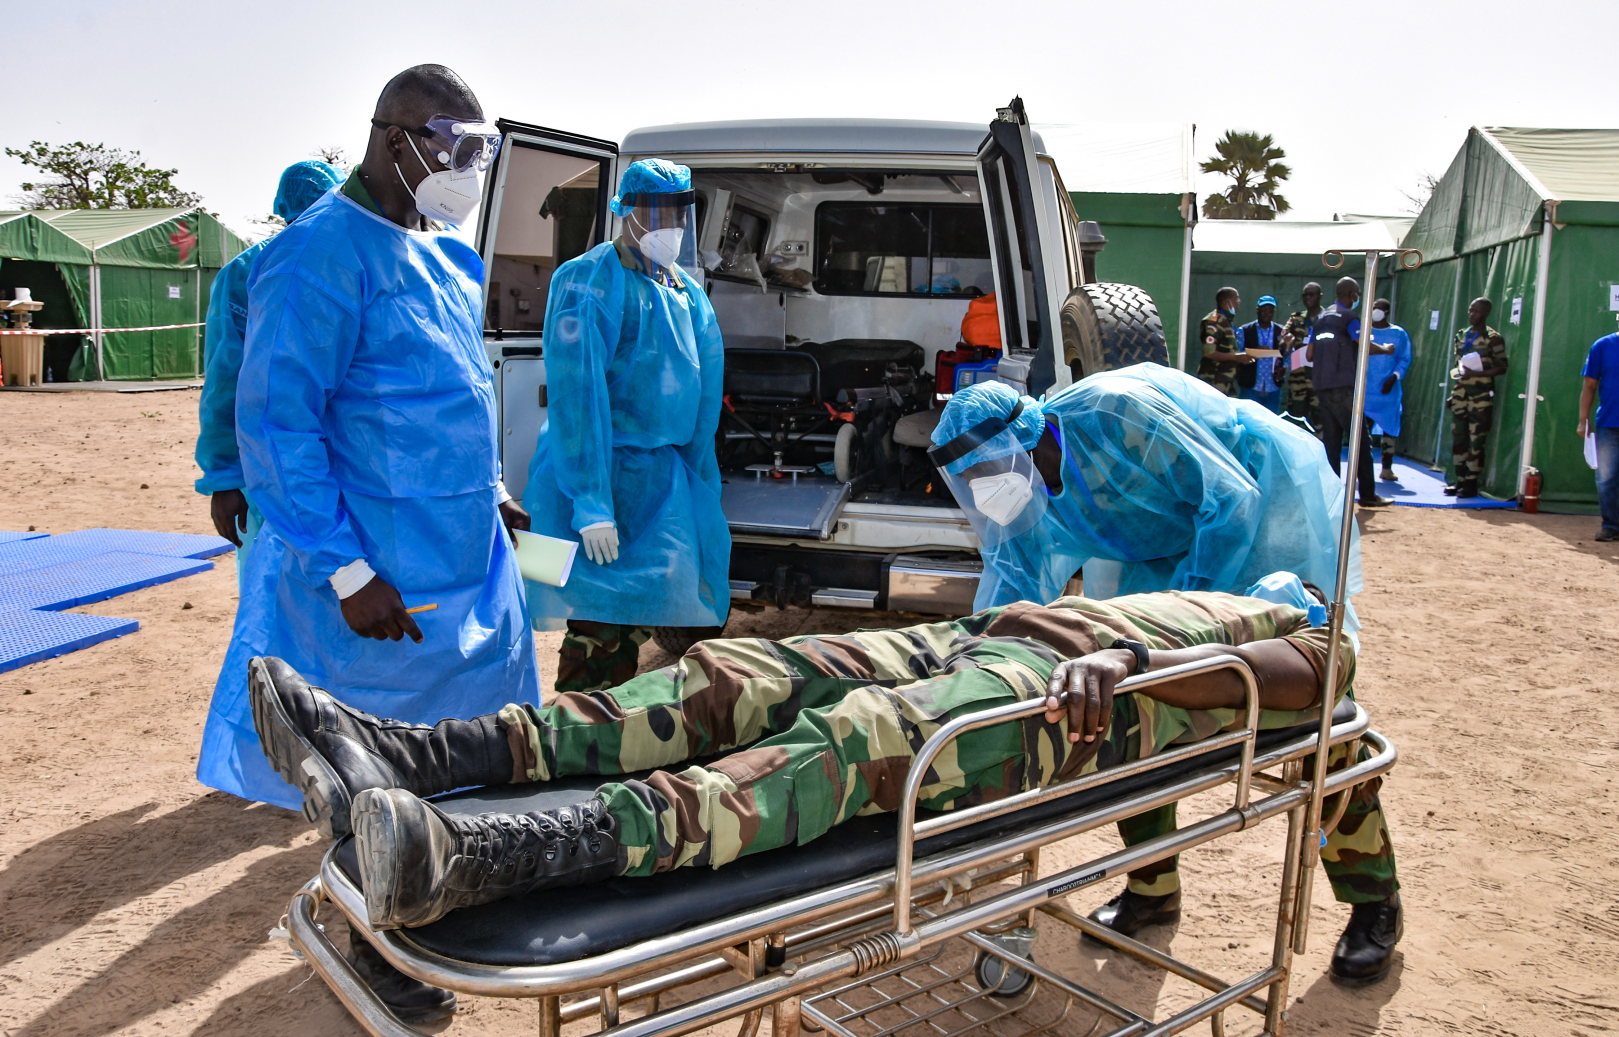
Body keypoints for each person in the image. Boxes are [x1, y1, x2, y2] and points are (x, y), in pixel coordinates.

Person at [249, 577, 1403, 986]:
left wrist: (1136, 661)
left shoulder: (1294, 625)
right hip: (1001, 639)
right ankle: (415, 755)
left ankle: (501, 851)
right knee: (736, 676)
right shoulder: (1188, 579)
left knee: (866, 741)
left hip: (1065, 700)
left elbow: (1304, 680)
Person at [197, 65, 540, 1023]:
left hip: (466, 557)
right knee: (378, 767)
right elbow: (279, 427)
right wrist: (346, 569)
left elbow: (454, 395)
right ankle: (371, 937)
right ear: (394, 135)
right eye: (454, 147)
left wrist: (494, 491)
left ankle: (436, 915)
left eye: (481, 150)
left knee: (471, 753)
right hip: (384, 576)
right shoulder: (318, 257)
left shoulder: (440, 252)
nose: (468, 169)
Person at [521, 158, 728, 693]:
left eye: (681, 214)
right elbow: (577, 394)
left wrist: (700, 478)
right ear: (627, 210)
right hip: (597, 471)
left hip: (661, 482)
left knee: (640, 618)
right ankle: (571, 739)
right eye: (659, 212)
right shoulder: (589, 280)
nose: (672, 227)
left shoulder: (686, 292)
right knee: (595, 624)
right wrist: (591, 503)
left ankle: (610, 735)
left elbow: (702, 400)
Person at [928, 366, 1359, 613]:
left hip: (1258, 507)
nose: (983, 490)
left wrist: (1186, 606)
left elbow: (1233, 502)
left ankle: (1335, 744)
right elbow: (1013, 578)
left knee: (1277, 621)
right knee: (1146, 644)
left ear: (1017, 441)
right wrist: (984, 644)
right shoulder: (1030, 492)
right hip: (1159, 546)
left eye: (984, 472)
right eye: (970, 483)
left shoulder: (1115, 412)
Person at [194, 160, 345, 581]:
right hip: (273, 459)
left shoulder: (343, 266)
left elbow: (224, 379)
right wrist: (226, 478)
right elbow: (228, 380)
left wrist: (226, 478)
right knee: (275, 582)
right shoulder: (251, 273)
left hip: (324, 459)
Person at [1309, 277, 1395, 508]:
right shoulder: (1349, 317)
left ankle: (1332, 496)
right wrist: (1386, 349)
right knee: (1360, 442)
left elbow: (1309, 354)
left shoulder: (1320, 319)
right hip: (1342, 388)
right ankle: (1367, 495)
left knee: (1332, 444)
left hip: (1322, 387)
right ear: (1351, 295)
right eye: (1356, 294)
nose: (1357, 298)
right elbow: (1363, 344)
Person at [1445, 297, 1509, 498]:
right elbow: (1459, 366)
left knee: (1476, 439)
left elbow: (1502, 367)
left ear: (1486, 313)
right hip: (1460, 393)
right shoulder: (1462, 335)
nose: (1472, 315)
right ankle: (1460, 479)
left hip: (1480, 396)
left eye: (1477, 312)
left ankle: (1471, 482)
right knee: (1459, 437)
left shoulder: (1493, 338)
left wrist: (1478, 375)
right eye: (1470, 311)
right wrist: (1454, 392)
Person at [1577, 313, 1619, 541]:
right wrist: (1583, 419)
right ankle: (1611, 526)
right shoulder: (1602, 346)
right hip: (1609, 424)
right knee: (1606, 478)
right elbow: (1590, 385)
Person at [1363, 299, 1412, 482]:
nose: (1376, 311)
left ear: (1387, 312)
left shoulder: (1398, 334)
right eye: (1373, 307)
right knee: (1362, 433)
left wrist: (1394, 377)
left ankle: (1386, 468)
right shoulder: (1363, 331)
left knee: (1390, 430)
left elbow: (1404, 359)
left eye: (1380, 308)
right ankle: (1362, 470)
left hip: (1388, 392)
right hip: (1366, 392)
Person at [1282, 283, 1325, 429]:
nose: (1308, 298)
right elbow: (1284, 335)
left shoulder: (1327, 318)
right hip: (1298, 379)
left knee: (1321, 421)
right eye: (1305, 295)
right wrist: (1286, 341)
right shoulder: (1296, 319)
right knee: (1296, 420)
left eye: (1312, 294)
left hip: (1320, 378)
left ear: (1320, 296)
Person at [1195, 286, 1252, 397]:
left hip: (1226, 382)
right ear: (1228, 301)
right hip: (1213, 381)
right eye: (1237, 298)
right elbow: (1209, 352)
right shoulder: (1214, 322)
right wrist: (1237, 357)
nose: (1239, 301)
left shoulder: (1226, 321)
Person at [1236, 295, 1285, 412]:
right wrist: (1255, 351)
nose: (1266, 313)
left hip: (1273, 387)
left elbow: (1288, 354)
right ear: (1257, 310)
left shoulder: (1282, 331)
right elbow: (1237, 353)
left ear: (1274, 312)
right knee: (1248, 421)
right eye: (1263, 310)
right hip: (1251, 386)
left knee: (1271, 425)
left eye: (1270, 310)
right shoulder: (1245, 330)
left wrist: (1285, 368)